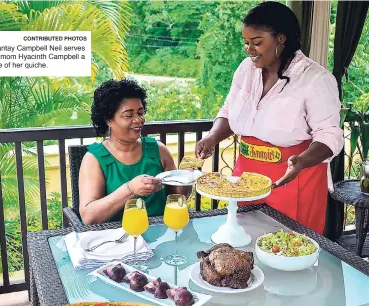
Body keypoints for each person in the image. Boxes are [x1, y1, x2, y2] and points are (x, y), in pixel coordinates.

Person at [195, 1, 344, 235]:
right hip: (245, 179)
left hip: (293, 178)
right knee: (245, 244)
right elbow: (228, 110)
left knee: (286, 251)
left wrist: (302, 161)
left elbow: (330, 135)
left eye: (257, 42)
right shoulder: (246, 69)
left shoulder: (315, 79)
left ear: (281, 39)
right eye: (246, 43)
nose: (249, 49)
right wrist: (213, 137)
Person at [79, 79, 191, 225]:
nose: (138, 120)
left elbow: (178, 197)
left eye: (140, 112)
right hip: (116, 240)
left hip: (163, 233)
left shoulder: (158, 150)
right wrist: (130, 189)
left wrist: (187, 179)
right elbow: (89, 217)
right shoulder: (95, 159)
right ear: (108, 119)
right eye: (128, 115)